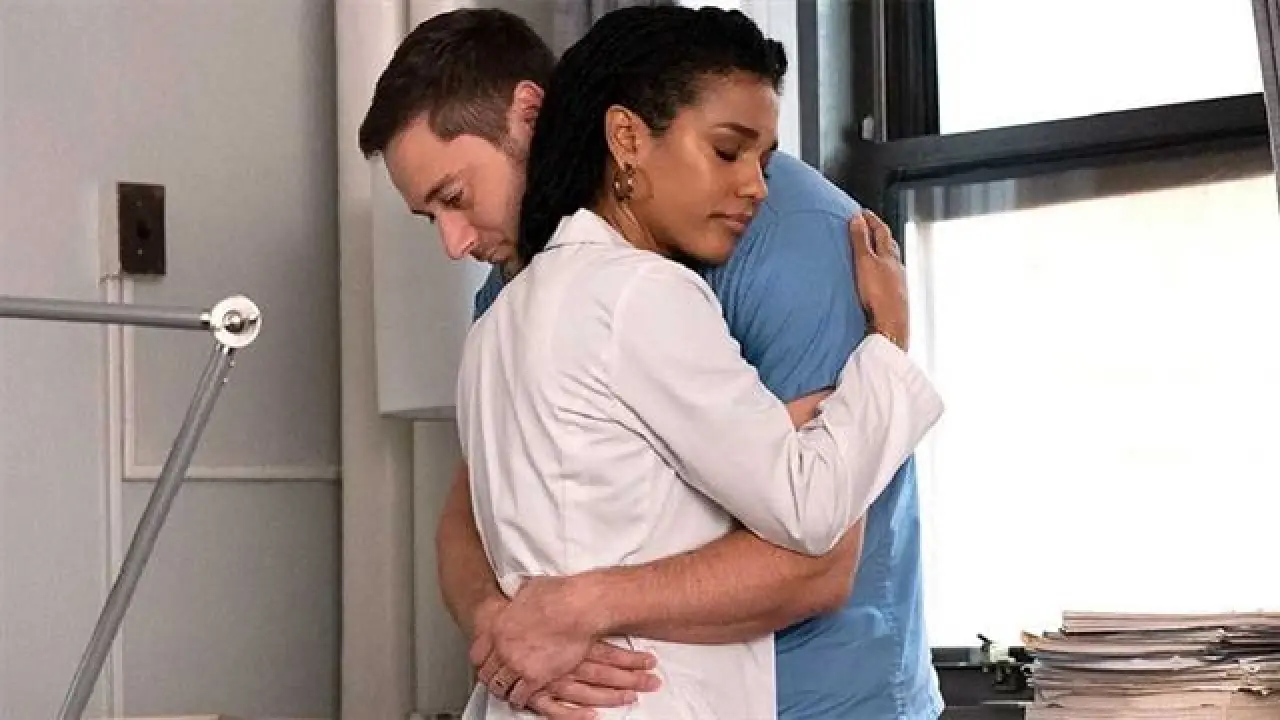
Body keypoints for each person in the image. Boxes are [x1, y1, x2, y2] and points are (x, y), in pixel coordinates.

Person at [359, 7, 945, 720]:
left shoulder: (796, 238)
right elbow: (475, 507)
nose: (453, 243)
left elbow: (813, 554)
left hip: (824, 699)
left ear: (530, 114)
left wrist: (576, 608)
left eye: (455, 196)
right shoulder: (518, 288)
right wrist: (503, 628)